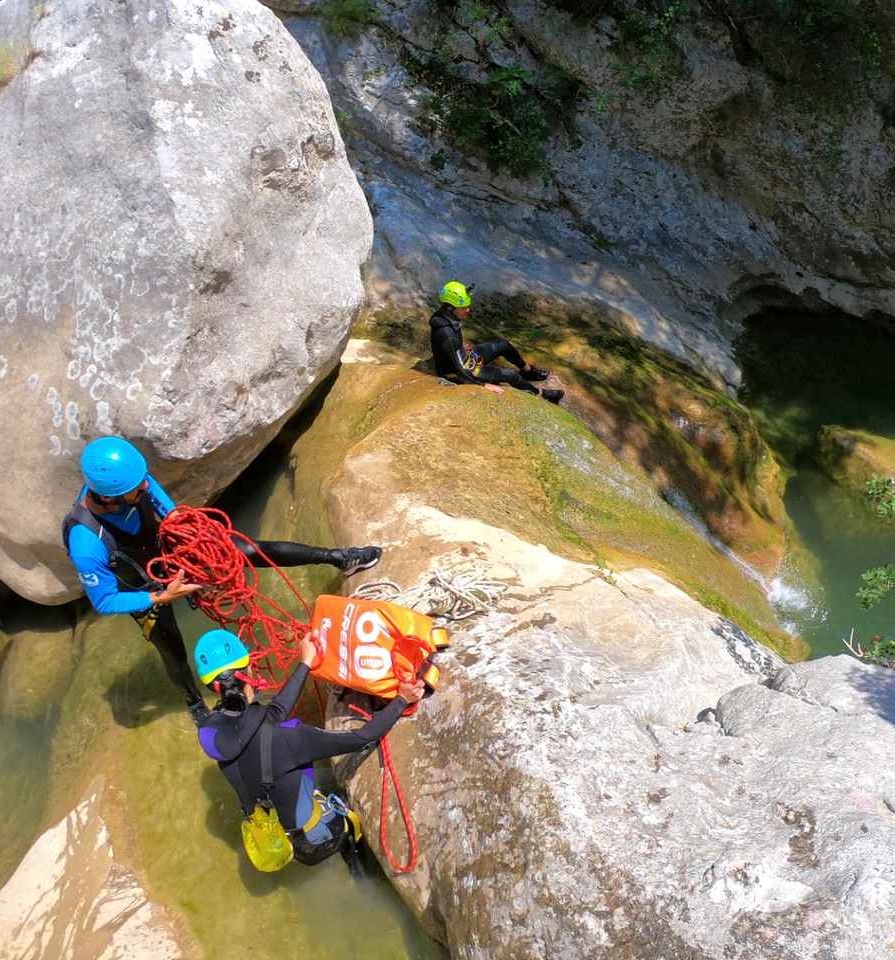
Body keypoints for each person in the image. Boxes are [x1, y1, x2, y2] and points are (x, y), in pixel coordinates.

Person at [63, 436, 384, 714]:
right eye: (137, 488)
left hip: (170, 551)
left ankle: (337, 558)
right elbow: (105, 600)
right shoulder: (86, 543)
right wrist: (162, 596)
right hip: (144, 588)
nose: (146, 486)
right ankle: (193, 701)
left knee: (249, 550)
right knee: (170, 646)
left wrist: (196, 549)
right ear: (108, 497)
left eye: (143, 480)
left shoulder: (132, 480)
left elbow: (172, 515)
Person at [192, 629, 424, 872]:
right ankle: (357, 868)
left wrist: (305, 664)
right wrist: (401, 701)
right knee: (350, 831)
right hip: (317, 840)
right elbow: (361, 737)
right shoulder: (291, 738)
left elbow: (268, 718)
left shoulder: (211, 733)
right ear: (250, 672)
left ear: (214, 687)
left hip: (278, 839)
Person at [429, 281, 564, 404]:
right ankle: (541, 394)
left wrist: (460, 346)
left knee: (503, 345)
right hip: (461, 372)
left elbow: (451, 345)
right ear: (450, 308)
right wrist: (482, 385)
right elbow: (459, 368)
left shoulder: (445, 317)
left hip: (466, 358)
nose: (468, 310)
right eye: (464, 307)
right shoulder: (446, 334)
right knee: (510, 375)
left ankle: (527, 371)